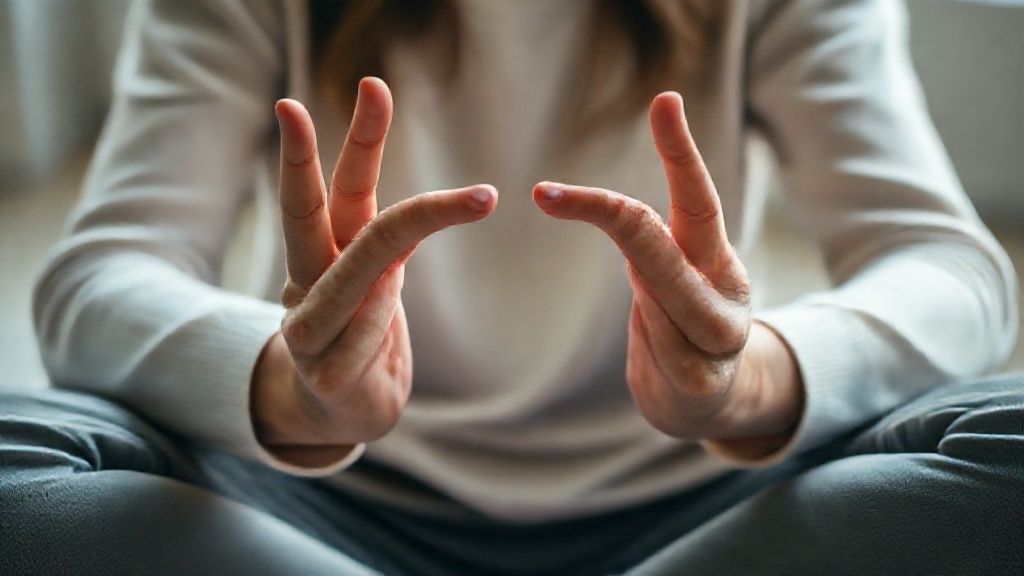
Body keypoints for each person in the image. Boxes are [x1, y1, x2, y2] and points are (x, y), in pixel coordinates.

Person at [2, 0, 1021, 574]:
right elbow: (98, 278)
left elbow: (955, 273)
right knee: (22, 453)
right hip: (331, 511)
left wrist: (752, 378)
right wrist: (289, 387)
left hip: (711, 508)